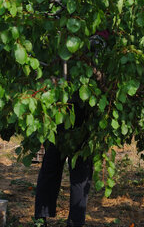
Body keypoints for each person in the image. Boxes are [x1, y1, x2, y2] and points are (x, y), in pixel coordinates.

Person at [34, 97, 93, 227]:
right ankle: (74, 222)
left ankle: (41, 218)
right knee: (80, 174)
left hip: (61, 110)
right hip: (79, 114)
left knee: (51, 170)